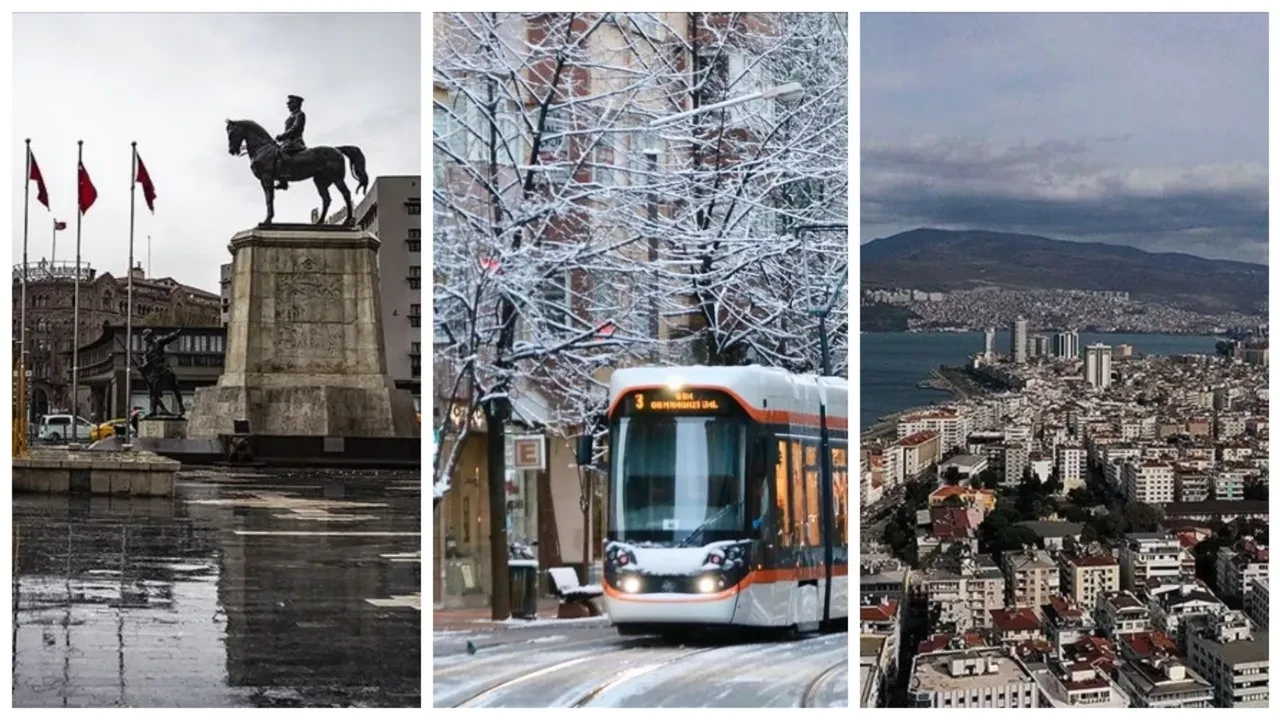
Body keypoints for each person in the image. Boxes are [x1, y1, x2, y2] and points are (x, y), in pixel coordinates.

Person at [274, 94, 307, 190]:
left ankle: (284, 178)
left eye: (290, 103)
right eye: (288, 103)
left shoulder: (300, 114)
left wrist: (282, 136)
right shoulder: (292, 115)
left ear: (296, 103)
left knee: (281, 154)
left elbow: (295, 128)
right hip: (287, 142)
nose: (287, 105)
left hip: (295, 142)